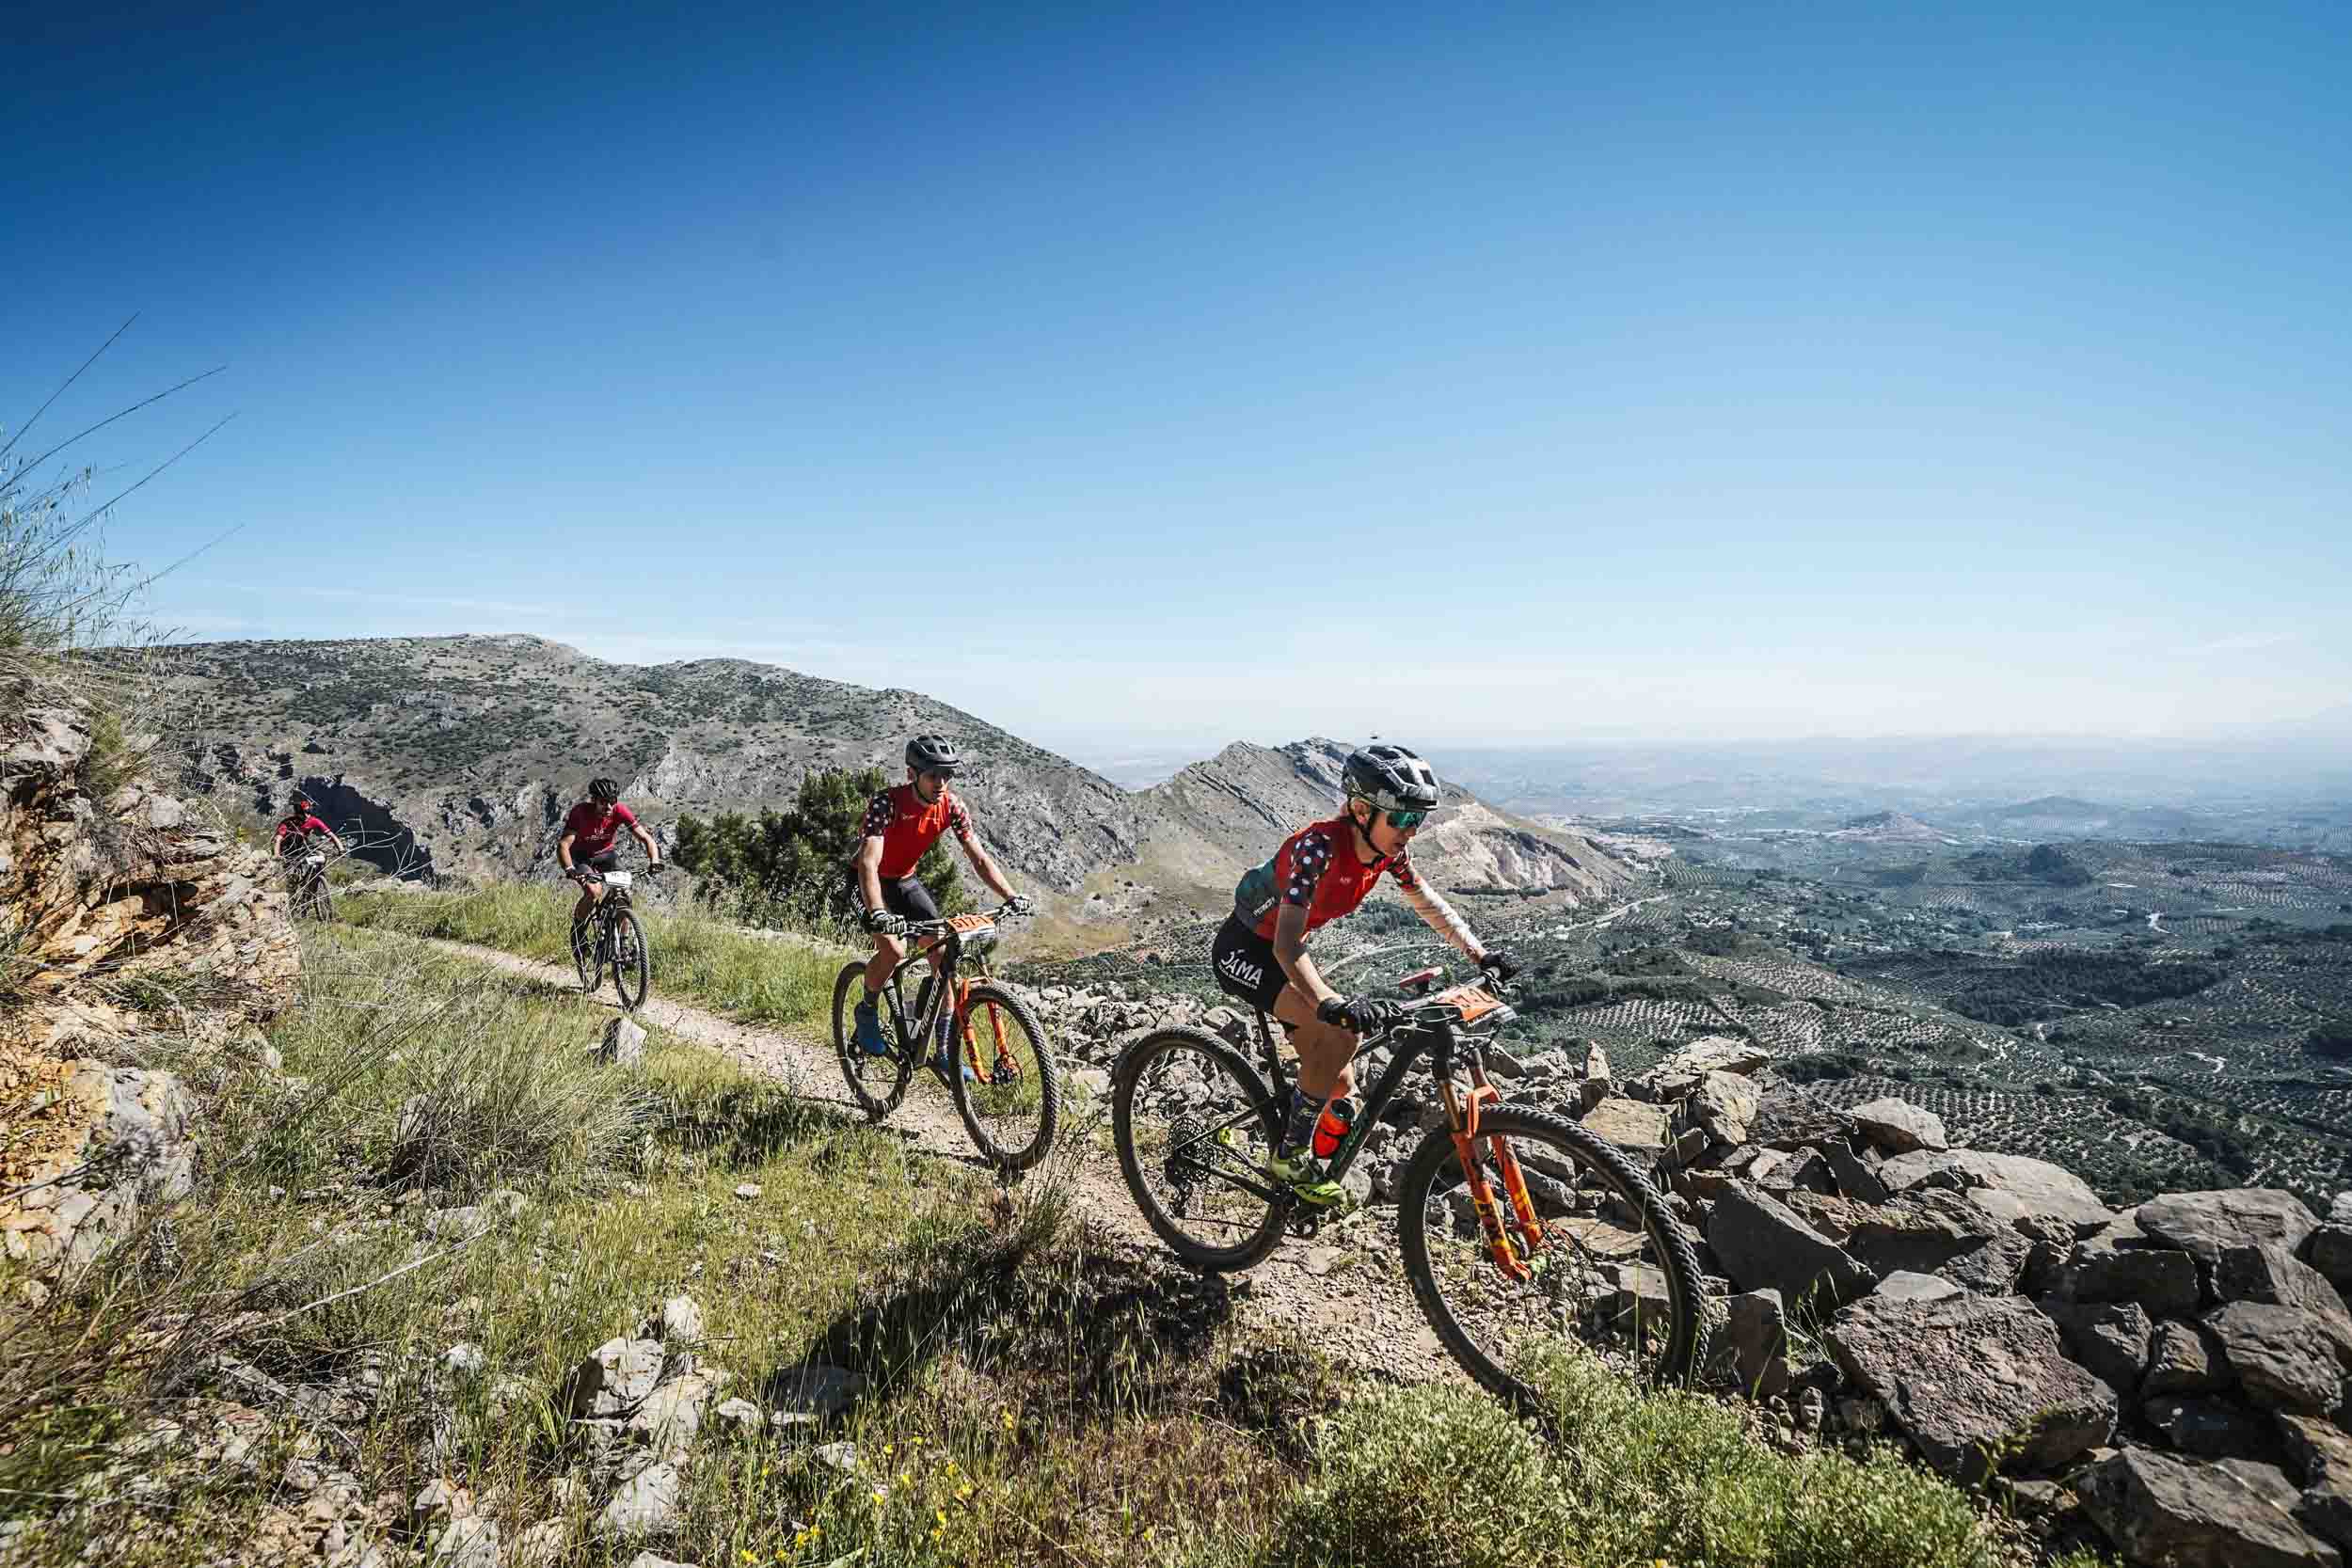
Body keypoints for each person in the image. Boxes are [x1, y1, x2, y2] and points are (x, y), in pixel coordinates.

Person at [1209, 743, 1515, 1205]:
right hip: (1247, 952)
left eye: (1419, 820)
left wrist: (1481, 954)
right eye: (1403, 819)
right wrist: (1332, 1004)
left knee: (1340, 1084)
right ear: (1359, 810)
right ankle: (1289, 1157)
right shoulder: (1317, 849)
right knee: (1342, 1033)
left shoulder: (1384, 853)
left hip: (1288, 955)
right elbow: (1285, 944)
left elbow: (1426, 902)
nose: (1411, 831)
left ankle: (1291, 1166)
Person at [846, 736, 1030, 1079]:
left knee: (942, 955)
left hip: (905, 881)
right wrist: (878, 913)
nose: (941, 784)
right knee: (894, 949)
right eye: (933, 776)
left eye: (947, 776)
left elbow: (978, 857)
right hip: (867, 880)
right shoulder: (886, 804)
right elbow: (869, 863)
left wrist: (1010, 895)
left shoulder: (952, 806)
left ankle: (943, 1052)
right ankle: (867, 1011)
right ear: (912, 774)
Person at [559, 777, 662, 942]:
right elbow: (564, 844)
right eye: (603, 802)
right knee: (594, 891)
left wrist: (655, 861)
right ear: (594, 800)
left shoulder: (619, 810)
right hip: (582, 857)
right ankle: (577, 931)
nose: (608, 807)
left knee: (623, 892)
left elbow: (646, 838)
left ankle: (622, 943)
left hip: (607, 855)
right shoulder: (580, 812)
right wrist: (570, 869)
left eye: (612, 801)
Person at [274, 792, 345, 875]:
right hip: (287, 850)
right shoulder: (287, 823)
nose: (306, 816)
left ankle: (312, 875)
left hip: (302, 846)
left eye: (307, 813)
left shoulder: (314, 821)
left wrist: (341, 849)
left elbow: (331, 835)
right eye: (303, 813)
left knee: (321, 856)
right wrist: (277, 854)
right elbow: (278, 839)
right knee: (291, 872)